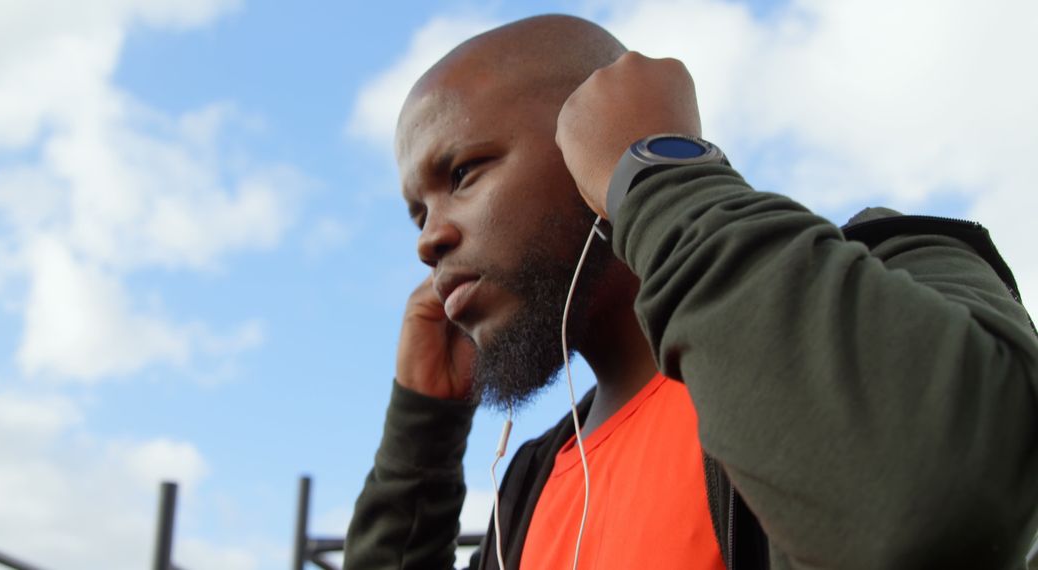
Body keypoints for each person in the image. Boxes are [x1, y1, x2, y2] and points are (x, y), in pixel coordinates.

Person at [343, 13, 1038, 570]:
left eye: (461, 173)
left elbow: (931, 509)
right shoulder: (532, 481)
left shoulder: (897, 275)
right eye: (418, 211)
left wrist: (655, 167)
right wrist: (422, 433)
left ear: (590, 139)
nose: (427, 240)